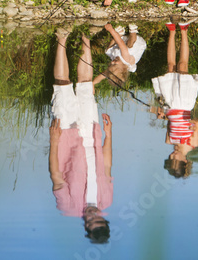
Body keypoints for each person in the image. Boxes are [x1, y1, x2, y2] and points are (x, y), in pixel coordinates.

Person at [49, 28, 113, 243]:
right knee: (86, 86)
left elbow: (56, 175)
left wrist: (54, 140)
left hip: (66, 139)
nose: (93, 215)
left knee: (62, 86)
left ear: (85, 226)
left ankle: (62, 37)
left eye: (90, 221)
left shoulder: (67, 207)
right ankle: (86, 37)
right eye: (99, 219)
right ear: (104, 219)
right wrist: (109, 136)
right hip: (92, 135)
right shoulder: (107, 200)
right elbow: (106, 167)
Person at [150, 19, 198, 179]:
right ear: (184, 161)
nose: (172, 155)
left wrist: (162, 115)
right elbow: (197, 123)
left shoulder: (169, 141)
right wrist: (192, 126)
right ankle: (184, 30)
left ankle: (172, 31)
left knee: (170, 66)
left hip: (170, 104)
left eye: (170, 158)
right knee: (183, 65)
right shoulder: (192, 143)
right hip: (184, 104)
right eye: (174, 159)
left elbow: (169, 121)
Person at [94, 23, 147, 87]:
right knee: (130, 47)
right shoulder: (126, 59)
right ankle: (133, 30)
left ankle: (120, 34)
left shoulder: (115, 67)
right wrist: (111, 30)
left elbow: (102, 75)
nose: (112, 62)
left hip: (123, 44)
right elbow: (121, 44)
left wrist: (93, 84)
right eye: (115, 64)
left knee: (108, 51)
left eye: (111, 64)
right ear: (123, 68)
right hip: (136, 44)